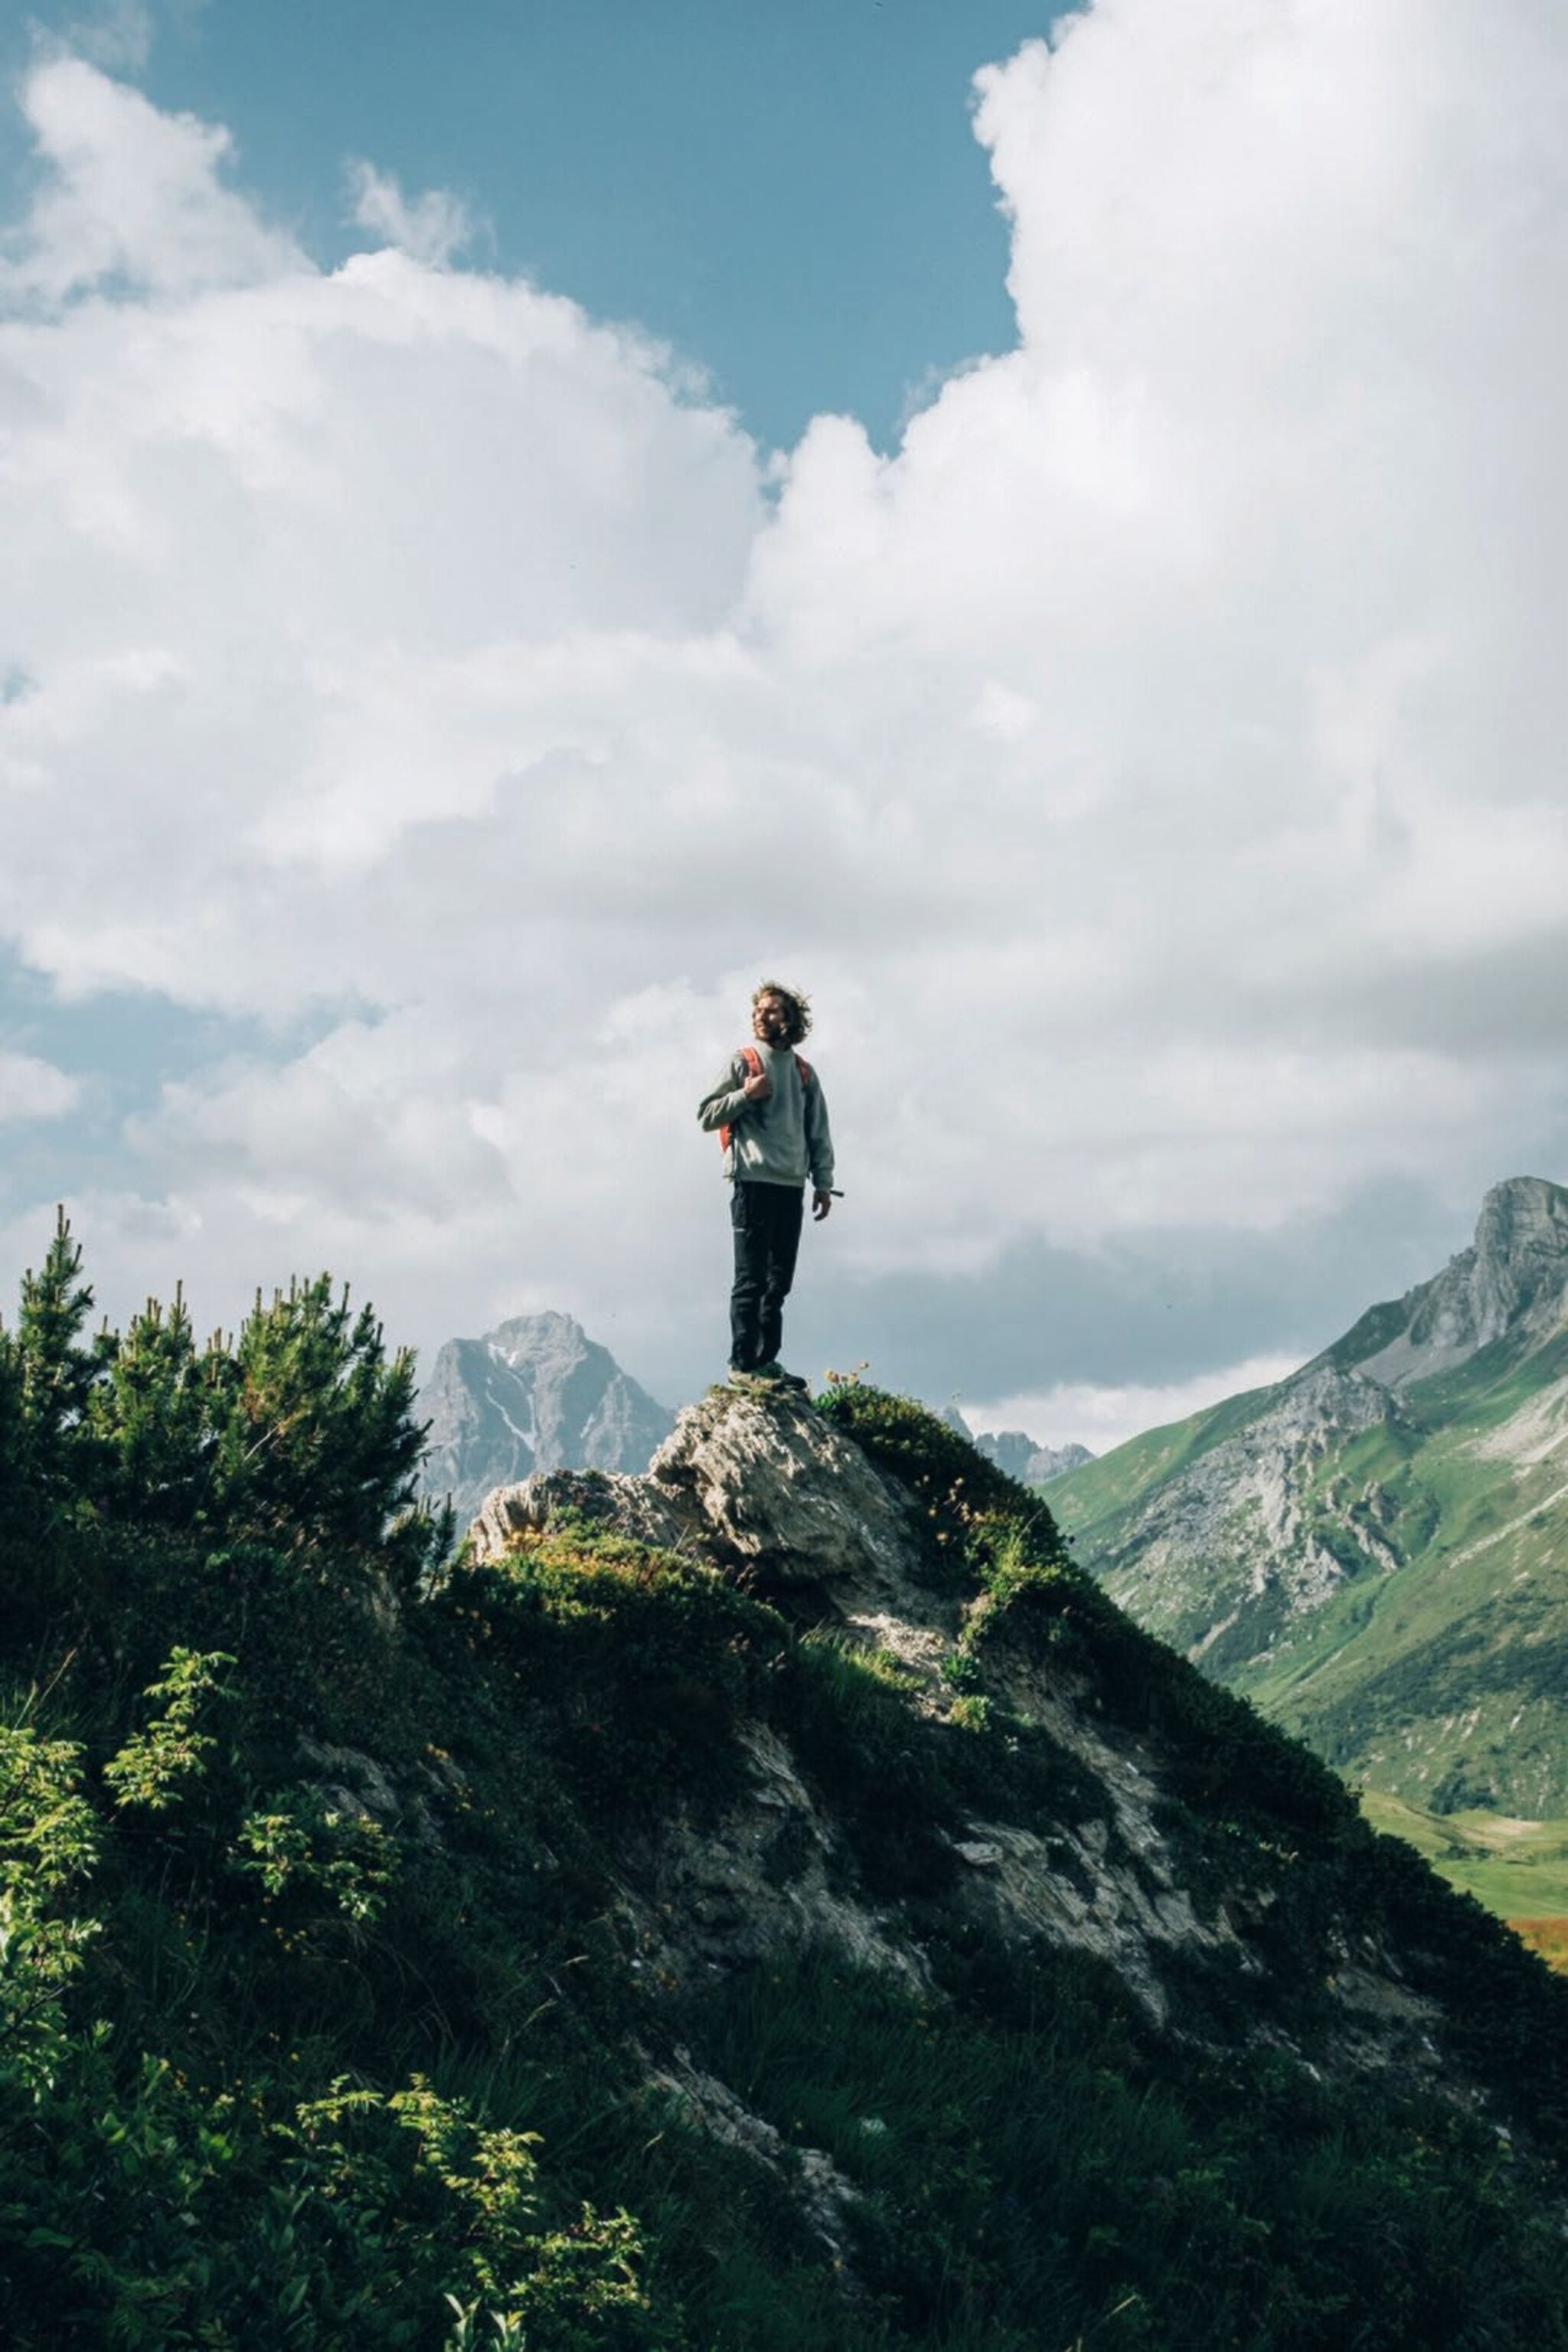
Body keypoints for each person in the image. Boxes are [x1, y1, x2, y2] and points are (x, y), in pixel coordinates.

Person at [697, 981, 835, 1388]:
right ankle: (742, 1365)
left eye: (771, 1010)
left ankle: (766, 1361)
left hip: (791, 1186)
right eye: (758, 1010)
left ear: (790, 1019)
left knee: (779, 1283)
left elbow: (818, 1132)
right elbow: (706, 1115)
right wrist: (746, 1095)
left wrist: (823, 1183)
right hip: (752, 1182)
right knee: (751, 1279)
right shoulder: (743, 1063)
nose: (761, 1016)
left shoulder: (803, 1072)